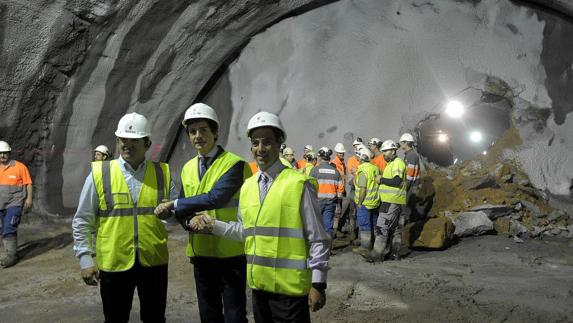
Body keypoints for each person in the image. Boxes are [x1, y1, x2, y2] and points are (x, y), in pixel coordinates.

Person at [190, 111, 330, 323]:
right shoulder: (247, 187)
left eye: (267, 142)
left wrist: (318, 284)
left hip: (290, 292)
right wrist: (213, 225)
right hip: (259, 289)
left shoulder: (298, 184)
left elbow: (318, 238)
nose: (260, 149)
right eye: (255, 143)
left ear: (279, 143)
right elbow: (244, 232)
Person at [72, 112, 177, 323]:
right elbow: (83, 219)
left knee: (155, 318)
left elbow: (175, 215)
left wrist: (171, 214)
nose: (126, 144)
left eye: (134, 140)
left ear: (147, 143)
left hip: (154, 261)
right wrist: (85, 259)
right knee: (115, 318)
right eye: (122, 140)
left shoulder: (162, 173)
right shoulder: (100, 173)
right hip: (115, 262)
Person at [154, 103, 251, 323]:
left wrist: (174, 203)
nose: (198, 136)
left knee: (235, 317)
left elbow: (217, 197)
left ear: (215, 132)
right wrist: (189, 222)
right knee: (208, 316)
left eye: (203, 130)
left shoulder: (234, 164)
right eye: (192, 131)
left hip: (231, 254)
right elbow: (185, 210)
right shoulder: (188, 168)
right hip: (201, 255)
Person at [366, 140, 407, 262]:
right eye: (383, 151)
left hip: (391, 201)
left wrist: (381, 180)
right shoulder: (391, 164)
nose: (384, 154)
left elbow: (397, 181)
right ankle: (395, 254)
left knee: (381, 227)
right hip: (396, 200)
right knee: (395, 230)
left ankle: (376, 255)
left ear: (393, 151)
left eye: (386, 151)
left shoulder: (397, 163)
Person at [0, 141, 32, 268]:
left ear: (9, 153)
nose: (2, 155)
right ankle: (9, 252)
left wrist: (29, 198)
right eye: (0, 153)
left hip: (15, 203)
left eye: (4, 153)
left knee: (9, 226)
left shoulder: (19, 167)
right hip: (0, 204)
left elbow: (28, 183)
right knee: (3, 228)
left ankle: (11, 256)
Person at [351, 146, 380, 257]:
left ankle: (365, 247)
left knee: (364, 225)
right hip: (374, 202)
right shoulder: (374, 168)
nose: (357, 158)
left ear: (362, 158)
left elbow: (363, 188)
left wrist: (359, 202)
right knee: (373, 223)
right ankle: (373, 245)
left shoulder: (362, 170)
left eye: (358, 156)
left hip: (365, 203)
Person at [310, 147, 343, 238]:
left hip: (317, 202)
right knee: (328, 226)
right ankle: (328, 249)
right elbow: (340, 190)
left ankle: (317, 248)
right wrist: (338, 203)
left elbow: (309, 187)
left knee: (316, 225)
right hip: (330, 203)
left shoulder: (314, 170)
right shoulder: (336, 172)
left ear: (320, 157)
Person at [399, 133, 421, 223]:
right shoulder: (409, 155)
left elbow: (409, 175)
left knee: (407, 208)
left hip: (411, 186)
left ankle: (409, 227)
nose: (400, 144)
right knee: (410, 207)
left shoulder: (411, 155)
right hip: (412, 185)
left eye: (401, 142)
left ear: (406, 143)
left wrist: (404, 187)